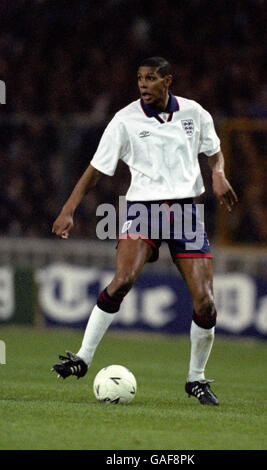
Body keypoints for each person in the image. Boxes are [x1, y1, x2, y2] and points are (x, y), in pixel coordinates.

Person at [51, 57, 238, 406]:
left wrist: (218, 172)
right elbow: (95, 170)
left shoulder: (195, 114)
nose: (143, 85)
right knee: (122, 280)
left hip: (185, 211)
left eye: (150, 79)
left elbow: (215, 152)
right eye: (139, 79)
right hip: (143, 211)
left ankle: (195, 379)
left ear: (168, 81)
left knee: (207, 303)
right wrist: (68, 208)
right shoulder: (124, 120)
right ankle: (83, 357)